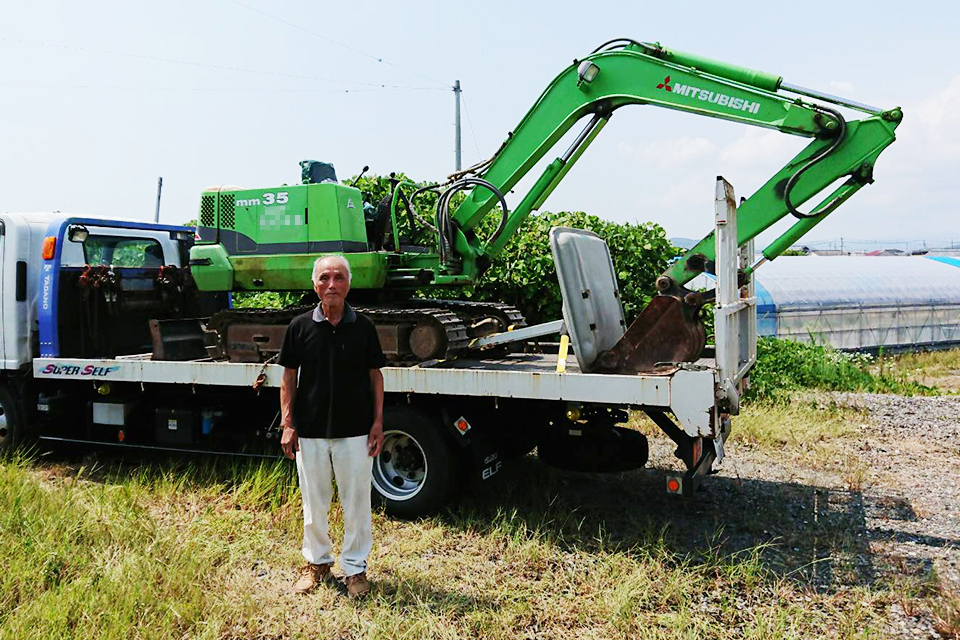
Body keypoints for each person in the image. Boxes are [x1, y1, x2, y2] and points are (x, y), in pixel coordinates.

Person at [278, 255, 386, 598]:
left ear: (348, 284)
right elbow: (288, 377)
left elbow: (375, 375)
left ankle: (355, 570)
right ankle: (317, 564)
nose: (332, 284)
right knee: (314, 502)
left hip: (355, 431)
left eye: (338, 277)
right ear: (315, 285)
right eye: (324, 278)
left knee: (356, 503)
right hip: (309, 432)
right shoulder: (299, 327)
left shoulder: (364, 326)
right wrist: (288, 423)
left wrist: (378, 422)